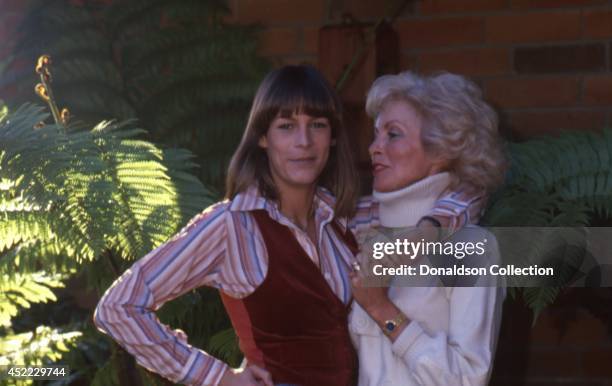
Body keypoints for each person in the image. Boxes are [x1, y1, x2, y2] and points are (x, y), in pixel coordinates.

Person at [93, 65, 484, 386]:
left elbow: (470, 187)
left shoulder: (344, 222)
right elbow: (118, 307)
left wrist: (427, 229)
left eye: (317, 125)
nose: (303, 142)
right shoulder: (232, 227)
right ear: (262, 138)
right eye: (285, 126)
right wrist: (217, 377)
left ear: (332, 137)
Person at [348, 71, 507, 386]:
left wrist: (382, 310)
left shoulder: (469, 246)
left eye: (393, 134)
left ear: (442, 152)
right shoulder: (361, 233)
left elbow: (466, 379)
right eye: (375, 134)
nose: (374, 148)